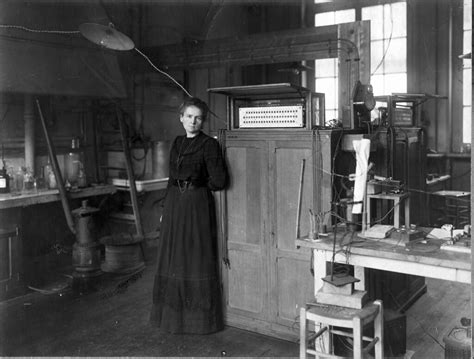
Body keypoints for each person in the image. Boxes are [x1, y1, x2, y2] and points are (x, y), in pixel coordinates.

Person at [150, 97, 228, 334]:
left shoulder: (209, 145)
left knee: (194, 257)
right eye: (189, 116)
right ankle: (172, 320)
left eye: (198, 118)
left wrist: (196, 185)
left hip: (196, 205)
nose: (193, 121)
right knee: (173, 258)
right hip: (174, 204)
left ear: (202, 121)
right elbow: (172, 178)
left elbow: (220, 180)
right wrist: (166, 209)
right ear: (181, 117)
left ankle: (197, 323)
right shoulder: (177, 142)